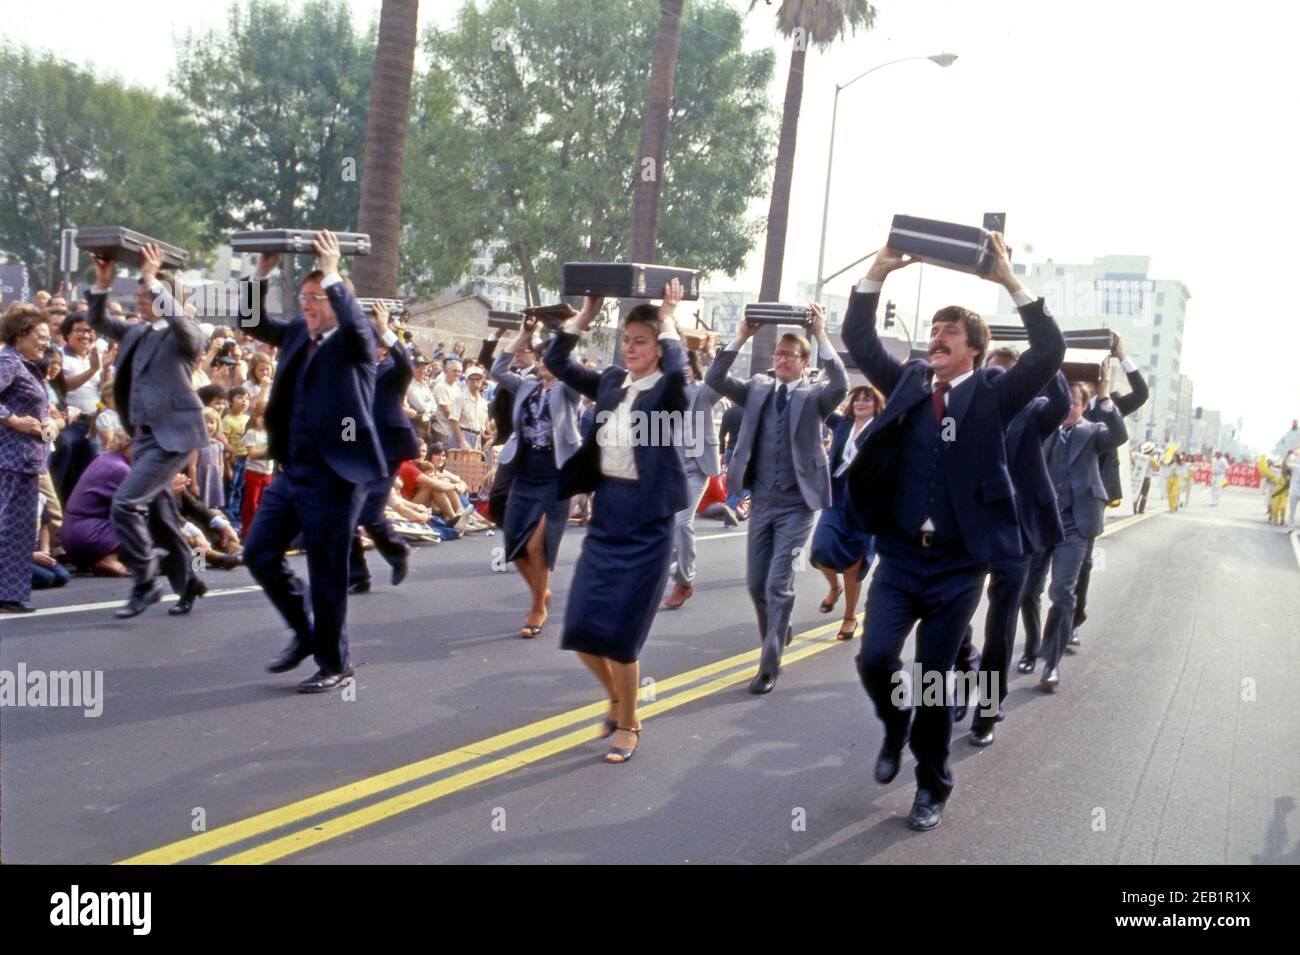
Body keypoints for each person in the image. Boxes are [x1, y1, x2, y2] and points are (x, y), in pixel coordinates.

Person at [840, 235, 1065, 831]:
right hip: (899, 557)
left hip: (959, 565)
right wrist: (878, 270)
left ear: (972, 349)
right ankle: (895, 728)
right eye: (933, 331)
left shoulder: (996, 394)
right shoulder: (911, 380)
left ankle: (932, 786)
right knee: (875, 658)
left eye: (949, 333)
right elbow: (860, 339)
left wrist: (1011, 282)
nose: (935, 339)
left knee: (938, 681)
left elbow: (1050, 351)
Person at [544, 281, 688, 763]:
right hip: (608, 514)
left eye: (641, 340)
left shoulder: (669, 390)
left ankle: (630, 721)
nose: (630, 348)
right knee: (582, 629)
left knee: (622, 638)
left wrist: (667, 316)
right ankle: (616, 697)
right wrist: (586, 314)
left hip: (648, 523)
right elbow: (558, 364)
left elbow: (681, 369)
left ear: (658, 347)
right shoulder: (610, 382)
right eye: (626, 339)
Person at [241, 232, 386, 693]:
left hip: (336, 477)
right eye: (303, 297)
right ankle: (305, 632)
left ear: (336, 298)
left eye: (316, 297)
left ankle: (335, 662)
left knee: (327, 573)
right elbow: (250, 322)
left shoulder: (355, 340)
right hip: (292, 470)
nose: (307, 305)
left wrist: (332, 267)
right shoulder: (297, 333)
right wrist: (261, 270)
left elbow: (359, 326)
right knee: (258, 552)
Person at [705, 304, 848, 692]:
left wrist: (820, 334)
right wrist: (741, 334)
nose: (783, 360)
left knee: (777, 585)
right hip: (762, 501)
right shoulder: (756, 389)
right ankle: (778, 629)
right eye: (779, 354)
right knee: (755, 584)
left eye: (791, 355)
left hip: (797, 505)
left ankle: (769, 665)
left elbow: (841, 387)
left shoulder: (814, 396)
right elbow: (716, 377)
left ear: (804, 362)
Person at [87, 246, 210, 619]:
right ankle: (190, 580)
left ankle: (145, 582)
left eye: (147, 295)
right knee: (159, 519)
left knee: (125, 503)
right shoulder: (139, 332)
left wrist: (154, 279)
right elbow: (100, 322)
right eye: (140, 294)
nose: (140, 299)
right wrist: (102, 284)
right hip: (143, 436)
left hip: (174, 435)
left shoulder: (184, 336)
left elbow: (186, 329)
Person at [954, 359, 1071, 747]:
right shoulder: (967, 410)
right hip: (970, 527)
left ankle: (986, 710)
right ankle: (964, 672)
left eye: (1010, 375)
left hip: (1017, 533)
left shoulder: (1035, 411)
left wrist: (1044, 360)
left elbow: (1060, 402)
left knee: (1000, 627)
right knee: (952, 616)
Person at [1021, 376, 1126, 689]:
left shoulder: (1093, 432)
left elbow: (1118, 434)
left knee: (1063, 592)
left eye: (1075, 403)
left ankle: (1051, 664)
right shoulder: (1044, 430)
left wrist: (1105, 398)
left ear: (1083, 407)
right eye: (1064, 403)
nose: (1068, 409)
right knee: (1027, 591)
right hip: (1042, 520)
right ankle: (1031, 648)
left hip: (1075, 522)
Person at [491, 316, 583, 637]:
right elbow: (497, 370)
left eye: (551, 359)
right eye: (542, 358)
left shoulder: (569, 390)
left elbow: (573, 372)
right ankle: (539, 590)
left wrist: (564, 333)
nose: (545, 363)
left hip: (556, 472)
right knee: (514, 542)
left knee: (537, 543)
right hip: (526, 469)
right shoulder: (527, 385)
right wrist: (523, 334)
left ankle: (537, 608)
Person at [1070, 333, 1148, 646]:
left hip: (1090, 494)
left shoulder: (1109, 404)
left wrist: (1121, 356)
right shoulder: (1061, 399)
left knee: (1082, 562)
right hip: (1054, 489)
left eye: (1101, 367)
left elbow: (1141, 394)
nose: (1095, 372)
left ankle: (1072, 618)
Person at [348, 300, 417, 594]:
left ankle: (397, 551)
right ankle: (357, 574)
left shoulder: (394, 368)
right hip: (359, 449)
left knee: (370, 513)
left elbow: (407, 362)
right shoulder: (356, 371)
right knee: (346, 513)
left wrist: (384, 326)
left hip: (388, 448)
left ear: (382, 347)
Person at [810, 385, 884, 641]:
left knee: (854, 565)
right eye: (857, 399)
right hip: (837, 498)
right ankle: (834, 587)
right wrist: (824, 378)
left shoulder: (883, 429)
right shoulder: (841, 424)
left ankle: (850, 616)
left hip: (866, 504)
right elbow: (821, 403)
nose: (861, 403)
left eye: (868, 399)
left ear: (877, 405)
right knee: (820, 550)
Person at [0, 304, 56, 613]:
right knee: (10, 527)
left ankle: (12, 592)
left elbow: (37, 411)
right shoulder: (7, 361)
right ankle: (6, 593)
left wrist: (48, 425)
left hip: (27, 458)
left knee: (21, 529)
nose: (46, 343)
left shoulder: (23, 363)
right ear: (21, 335)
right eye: (41, 336)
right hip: (10, 458)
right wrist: (13, 420)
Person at [663, 349, 723, 610]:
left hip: (696, 469)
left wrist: (717, 355)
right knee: (662, 527)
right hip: (669, 470)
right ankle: (667, 573)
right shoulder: (665, 393)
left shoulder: (704, 392)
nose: (684, 368)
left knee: (681, 523)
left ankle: (684, 581)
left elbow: (719, 380)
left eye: (688, 364)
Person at [60, 430, 134, 576]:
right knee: (138, 516)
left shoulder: (105, 458)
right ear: (127, 445)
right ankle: (109, 559)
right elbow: (139, 505)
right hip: (90, 535)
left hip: (74, 535)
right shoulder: (121, 469)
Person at [51, 311, 103, 505]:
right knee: (61, 474)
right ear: (67, 333)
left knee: (87, 477)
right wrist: (92, 370)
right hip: (68, 425)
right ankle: (54, 520)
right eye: (79, 330)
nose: (86, 335)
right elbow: (63, 384)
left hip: (91, 426)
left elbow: (102, 392)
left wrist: (103, 370)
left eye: (89, 330)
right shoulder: (60, 355)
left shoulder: (95, 357)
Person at [240, 398, 273, 538]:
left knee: (264, 504)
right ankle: (247, 532)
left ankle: (261, 531)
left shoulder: (271, 434)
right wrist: (270, 451)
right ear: (255, 416)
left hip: (267, 473)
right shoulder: (252, 433)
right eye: (262, 416)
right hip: (253, 472)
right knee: (251, 504)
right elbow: (252, 454)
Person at [1132, 441, 1157, 513]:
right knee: (1144, 495)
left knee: (1136, 493)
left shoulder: (1138, 456)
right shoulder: (1151, 459)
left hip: (1138, 478)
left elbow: (1134, 464)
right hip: (1146, 479)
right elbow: (1157, 467)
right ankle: (1141, 509)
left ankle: (1134, 508)